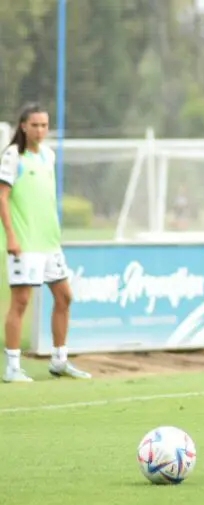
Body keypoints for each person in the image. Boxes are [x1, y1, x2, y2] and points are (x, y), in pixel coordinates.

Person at [0, 103, 91, 383]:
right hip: (25, 243)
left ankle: (59, 360)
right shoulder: (13, 156)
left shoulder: (49, 156)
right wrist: (12, 237)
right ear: (23, 126)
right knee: (21, 301)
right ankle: (12, 366)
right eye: (35, 125)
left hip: (50, 244)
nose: (40, 130)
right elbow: (2, 197)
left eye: (44, 125)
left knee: (64, 296)